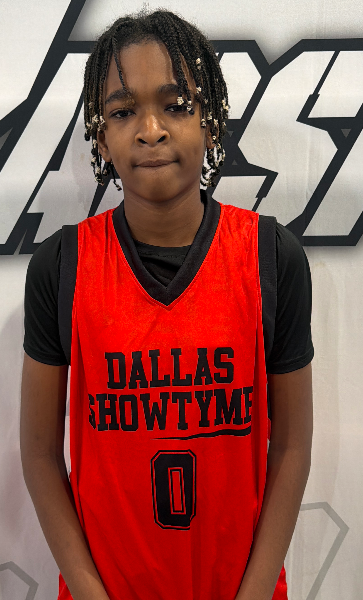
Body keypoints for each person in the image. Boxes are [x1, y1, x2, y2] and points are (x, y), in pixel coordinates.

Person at [20, 9, 313, 600]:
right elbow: (40, 454)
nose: (150, 130)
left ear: (211, 121)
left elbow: (292, 446)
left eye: (176, 105)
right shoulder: (62, 266)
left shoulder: (270, 256)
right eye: (123, 111)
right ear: (100, 135)